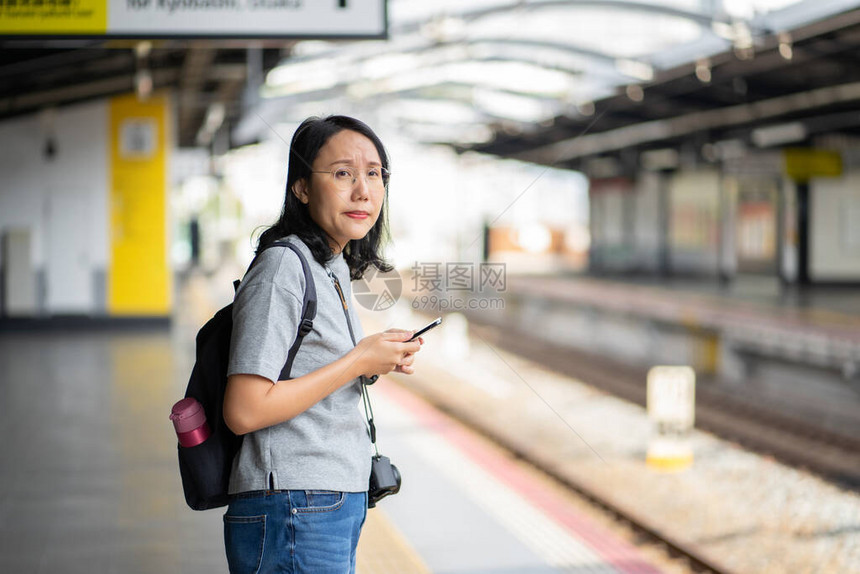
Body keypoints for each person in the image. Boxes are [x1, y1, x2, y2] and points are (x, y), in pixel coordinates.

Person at [222, 115, 423, 574]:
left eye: (374, 173)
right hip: (295, 503)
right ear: (302, 188)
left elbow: (303, 370)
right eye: (342, 173)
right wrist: (355, 361)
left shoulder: (328, 265)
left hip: (322, 501)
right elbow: (244, 410)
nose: (363, 191)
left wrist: (371, 360)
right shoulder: (282, 269)